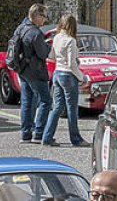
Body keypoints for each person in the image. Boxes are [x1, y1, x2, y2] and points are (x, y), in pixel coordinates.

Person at [42, 15, 89, 146]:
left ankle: (47, 137)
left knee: (57, 107)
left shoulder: (56, 37)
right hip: (68, 75)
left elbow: (51, 56)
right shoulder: (71, 41)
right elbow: (72, 64)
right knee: (72, 109)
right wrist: (82, 77)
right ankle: (76, 139)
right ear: (73, 26)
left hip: (57, 73)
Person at [12, 3, 51, 143]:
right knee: (46, 101)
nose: (45, 20)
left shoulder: (20, 28)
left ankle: (26, 134)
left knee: (26, 101)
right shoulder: (36, 33)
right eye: (44, 16)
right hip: (35, 71)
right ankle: (39, 134)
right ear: (37, 16)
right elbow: (43, 54)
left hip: (22, 69)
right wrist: (48, 46)